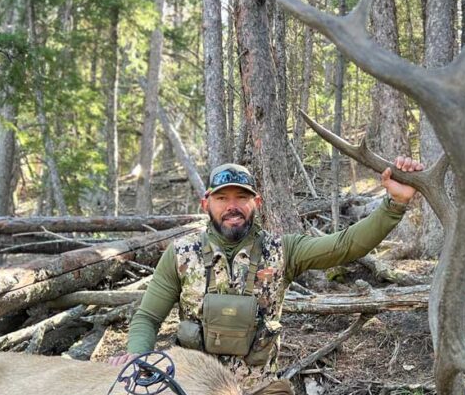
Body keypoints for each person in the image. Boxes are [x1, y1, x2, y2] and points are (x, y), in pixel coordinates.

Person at [112, 158, 422, 377]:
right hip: (193, 388)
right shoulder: (180, 254)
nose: (232, 206)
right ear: (206, 203)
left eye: (241, 197)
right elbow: (148, 317)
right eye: (222, 198)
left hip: (260, 393)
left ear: (256, 202)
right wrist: (139, 356)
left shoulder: (284, 250)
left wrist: (394, 204)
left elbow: (346, 245)